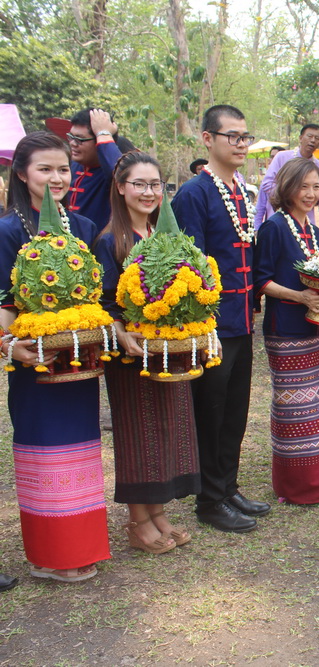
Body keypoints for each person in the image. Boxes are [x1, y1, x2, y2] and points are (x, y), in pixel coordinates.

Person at [0, 131, 109, 581]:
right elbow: (4, 304)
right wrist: (10, 346)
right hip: (34, 363)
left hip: (80, 363)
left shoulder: (82, 228)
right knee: (45, 453)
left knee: (80, 452)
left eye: (63, 168)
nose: (56, 177)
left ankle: (81, 546)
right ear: (22, 173)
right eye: (45, 169)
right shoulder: (8, 231)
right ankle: (50, 555)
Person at [95, 151, 200, 554]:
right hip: (131, 354)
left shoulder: (166, 238)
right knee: (138, 436)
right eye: (138, 184)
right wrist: (119, 331)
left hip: (167, 349)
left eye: (155, 184)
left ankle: (158, 513)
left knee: (164, 430)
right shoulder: (110, 240)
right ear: (120, 187)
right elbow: (104, 302)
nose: (148, 192)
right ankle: (138, 521)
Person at [173, 104, 271, 532]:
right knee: (210, 411)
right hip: (211, 322)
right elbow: (189, 262)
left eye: (245, 137)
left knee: (235, 409)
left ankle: (228, 487)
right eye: (233, 136)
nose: (241, 144)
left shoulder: (242, 191)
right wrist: (203, 320)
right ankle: (209, 500)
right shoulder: (193, 193)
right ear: (208, 139)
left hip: (242, 319)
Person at [253, 158, 319, 504]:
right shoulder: (273, 227)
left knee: (315, 404)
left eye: (316, 187)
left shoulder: (316, 233)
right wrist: (299, 296)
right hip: (283, 328)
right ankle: (294, 486)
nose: (310, 193)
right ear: (287, 187)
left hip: (311, 328)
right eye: (303, 186)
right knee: (293, 407)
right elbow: (261, 281)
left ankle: (318, 483)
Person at [253, 124, 319, 229]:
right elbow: (266, 185)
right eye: (309, 136)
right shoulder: (281, 157)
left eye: (317, 138)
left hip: (305, 222)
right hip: (278, 219)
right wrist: (289, 196)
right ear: (300, 138)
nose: (312, 140)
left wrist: (310, 198)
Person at [66, 108, 125, 230]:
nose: (72, 143)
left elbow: (123, 175)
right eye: (71, 137)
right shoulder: (68, 167)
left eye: (79, 139)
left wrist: (103, 132)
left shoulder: (109, 171)